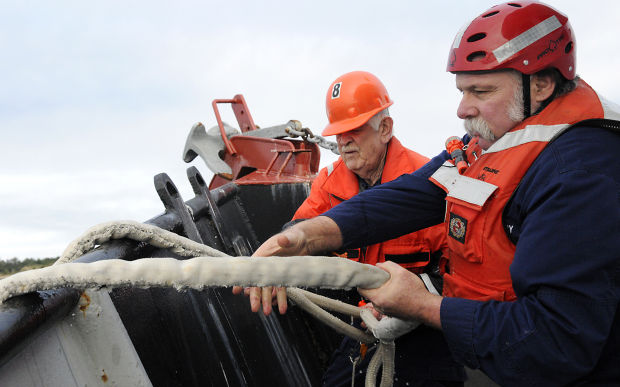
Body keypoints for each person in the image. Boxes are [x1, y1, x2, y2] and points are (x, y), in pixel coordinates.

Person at [245, 1, 620, 385]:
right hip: (482, 337)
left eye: (480, 91)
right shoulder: (496, 139)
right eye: (462, 91)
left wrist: (424, 306)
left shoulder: (578, 173)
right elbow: (413, 193)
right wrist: (303, 237)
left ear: (540, 83)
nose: (461, 109)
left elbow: (557, 343)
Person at [286, 71, 465, 386]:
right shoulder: (329, 183)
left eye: (353, 130)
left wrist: (417, 301)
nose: (344, 141)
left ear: (385, 129)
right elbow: (300, 228)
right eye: (339, 132)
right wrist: (279, 259)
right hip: (366, 323)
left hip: (426, 326)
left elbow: (462, 269)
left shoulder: (429, 185)